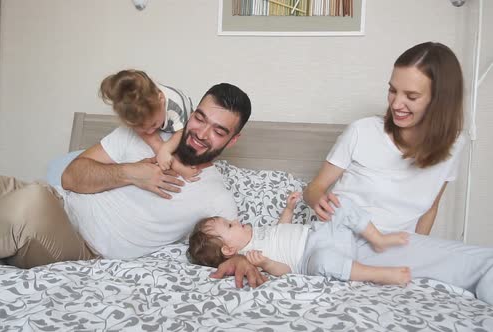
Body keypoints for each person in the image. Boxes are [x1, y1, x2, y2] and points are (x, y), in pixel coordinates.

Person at [211, 42, 493, 305]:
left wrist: (420, 251)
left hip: (391, 246)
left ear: (439, 101)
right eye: (392, 90)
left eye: (411, 96)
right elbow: (314, 190)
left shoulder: (453, 145)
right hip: (340, 235)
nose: (395, 104)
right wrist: (318, 200)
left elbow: (430, 207)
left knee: (475, 264)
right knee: (482, 264)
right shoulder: (364, 131)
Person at [0, 83, 253, 270]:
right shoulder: (145, 132)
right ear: (190, 114)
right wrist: (133, 174)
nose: (201, 133)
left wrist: (239, 260)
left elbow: (233, 245)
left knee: (27, 204)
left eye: (218, 131)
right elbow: (71, 176)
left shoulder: (217, 197)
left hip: (77, 245)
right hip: (52, 196)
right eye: (200, 119)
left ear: (232, 140)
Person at [188, 192, 411, 285]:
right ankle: (382, 275)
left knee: (336, 201)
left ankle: (378, 239)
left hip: (318, 233)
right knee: (323, 261)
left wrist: (289, 209)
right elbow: (284, 271)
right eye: (229, 225)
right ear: (228, 249)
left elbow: (281, 230)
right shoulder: (250, 256)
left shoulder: (256, 231)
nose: (235, 221)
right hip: (309, 257)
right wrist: (266, 264)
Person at [100, 69, 198, 181]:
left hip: (182, 122)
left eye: (153, 125)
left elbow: (182, 132)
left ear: (161, 100)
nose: (150, 132)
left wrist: (166, 149)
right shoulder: (139, 104)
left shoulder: (176, 107)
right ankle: (177, 166)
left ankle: (178, 164)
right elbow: (149, 133)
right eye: (141, 127)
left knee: (176, 147)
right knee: (153, 141)